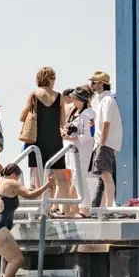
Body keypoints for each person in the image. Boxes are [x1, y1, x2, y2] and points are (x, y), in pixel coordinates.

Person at [0, 164, 52, 277]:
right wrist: (47, 185)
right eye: (19, 178)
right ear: (15, 174)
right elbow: (31, 195)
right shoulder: (12, 182)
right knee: (18, 259)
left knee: (11, 260)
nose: (19, 181)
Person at [20, 67, 70, 217]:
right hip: (55, 141)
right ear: (50, 79)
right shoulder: (60, 97)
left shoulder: (34, 95)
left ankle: (44, 211)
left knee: (40, 179)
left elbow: (22, 117)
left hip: (37, 142)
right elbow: (63, 121)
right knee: (62, 179)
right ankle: (66, 211)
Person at [89, 71, 122, 208]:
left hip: (104, 144)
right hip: (104, 143)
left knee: (106, 175)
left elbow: (106, 123)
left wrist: (101, 143)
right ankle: (108, 206)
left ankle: (109, 206)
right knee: (104, 176)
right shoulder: (104, 100)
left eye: (94, 82)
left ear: (102, 84)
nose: (91, 85)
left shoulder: (107, 100)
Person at [62, 87, 96, 218]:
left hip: (83, 150)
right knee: (76, 178)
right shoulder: (78, 113)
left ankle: (86, 208)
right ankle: (84, 207)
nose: (73, 101)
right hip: (74, 150)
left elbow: (90, 135)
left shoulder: (89, 114)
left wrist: (73, 138)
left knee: (79, 178)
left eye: (75, 98)